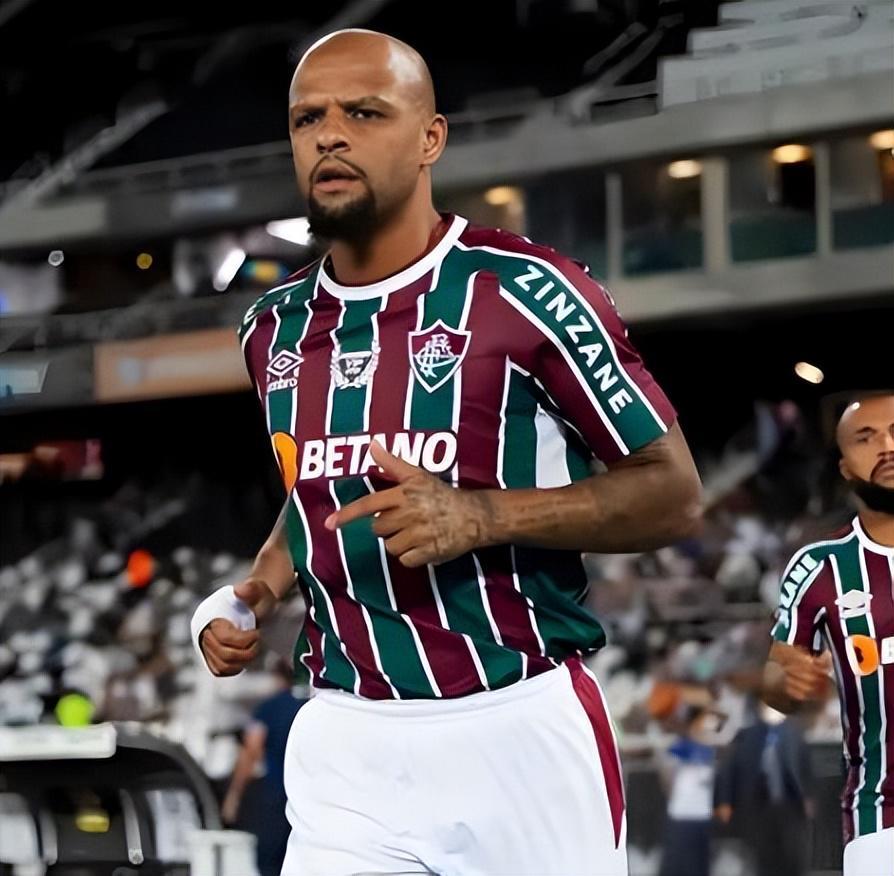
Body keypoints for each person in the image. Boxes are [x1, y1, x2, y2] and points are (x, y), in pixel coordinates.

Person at [190, 29, 702, 875]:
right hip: (346, 738)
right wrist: (260, 587)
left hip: (516, 727)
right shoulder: (270, 326)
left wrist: (480, 515)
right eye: (308, 118)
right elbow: (315, 485)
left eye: (364, 113)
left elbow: (674, 494)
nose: (330, 136)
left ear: (431, 138)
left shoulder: (528, 291)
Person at [762, 391, 894, 876]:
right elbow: (777, 682)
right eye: (866, 438)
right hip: (881, 815)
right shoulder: (818, 566)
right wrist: (787, 683)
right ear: (844, 468)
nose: (886, 446)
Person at [221, 660, 308, 876]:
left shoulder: (269, 707)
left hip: (274, 794)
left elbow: (252, 752)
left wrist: (234, 796)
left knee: (269, 863)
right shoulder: (310, 707)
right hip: (306, 796)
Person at [715, 701, 815, 876]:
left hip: (787, 804)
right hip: (757, 805)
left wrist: (808, 797)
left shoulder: (792, 734)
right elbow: (730, 770)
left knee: (791, 852)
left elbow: (804, 767)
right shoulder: (747, 736)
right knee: (761, 854)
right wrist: (725, 801)